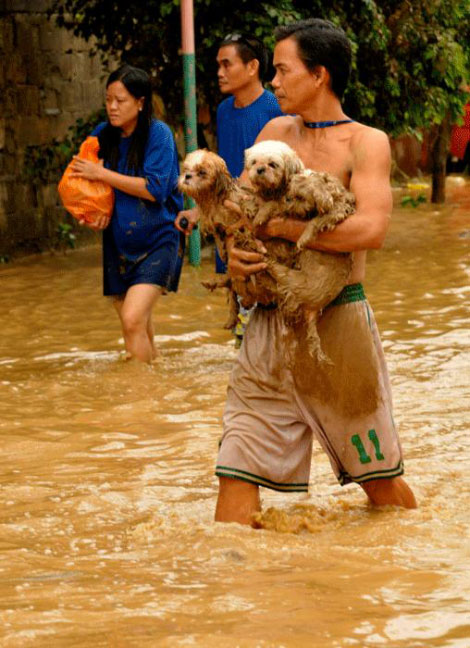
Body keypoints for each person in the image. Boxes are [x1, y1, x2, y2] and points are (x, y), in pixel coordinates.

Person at [214, 18, 418, 525]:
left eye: (283, 70)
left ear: (319, 74)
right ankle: (234, 592)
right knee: (234, 475)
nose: (275, 82)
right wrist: (236, 254)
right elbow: (240, 214)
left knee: (381, 486)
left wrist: (278, 229)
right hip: (264, 326)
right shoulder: (273, 133)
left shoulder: (366, 142)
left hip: (338, 328)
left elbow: (370, 229)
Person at [69, 64, 184, 363]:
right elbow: (79, 182)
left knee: (132, 319)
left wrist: (102, 174)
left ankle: (138, 395)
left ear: (140, 102)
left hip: (159, 237)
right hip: (118, 242)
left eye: (120, 100)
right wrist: (92, 215)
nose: (112, 107)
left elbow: (155, 189)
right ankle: (154, 388)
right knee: (137, 326)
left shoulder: (159, 134)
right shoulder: (102, 135)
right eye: (108, 99)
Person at [175, 33, 283, 343]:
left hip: (263, 228)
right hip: (229, 226)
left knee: (268, 320)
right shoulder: (223, 110)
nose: (220, 72)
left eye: (227, 64)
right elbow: (224, 176)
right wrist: (201, 209)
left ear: (252, 67)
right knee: (242, 324)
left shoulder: (276, 108)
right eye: (218, 65)